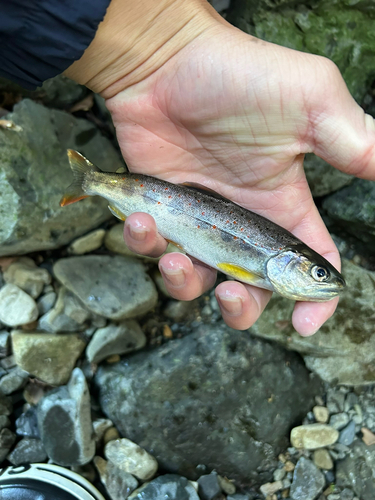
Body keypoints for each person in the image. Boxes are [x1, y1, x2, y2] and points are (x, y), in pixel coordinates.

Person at [1, 0, 374, 336]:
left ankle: (95, 181)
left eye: (320, 273)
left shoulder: (268, 264)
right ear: (291, 261)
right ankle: (94, 181)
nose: (323, 280)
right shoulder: (261, 266)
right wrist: (167, 47)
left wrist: (166, 47)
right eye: (318, 273)